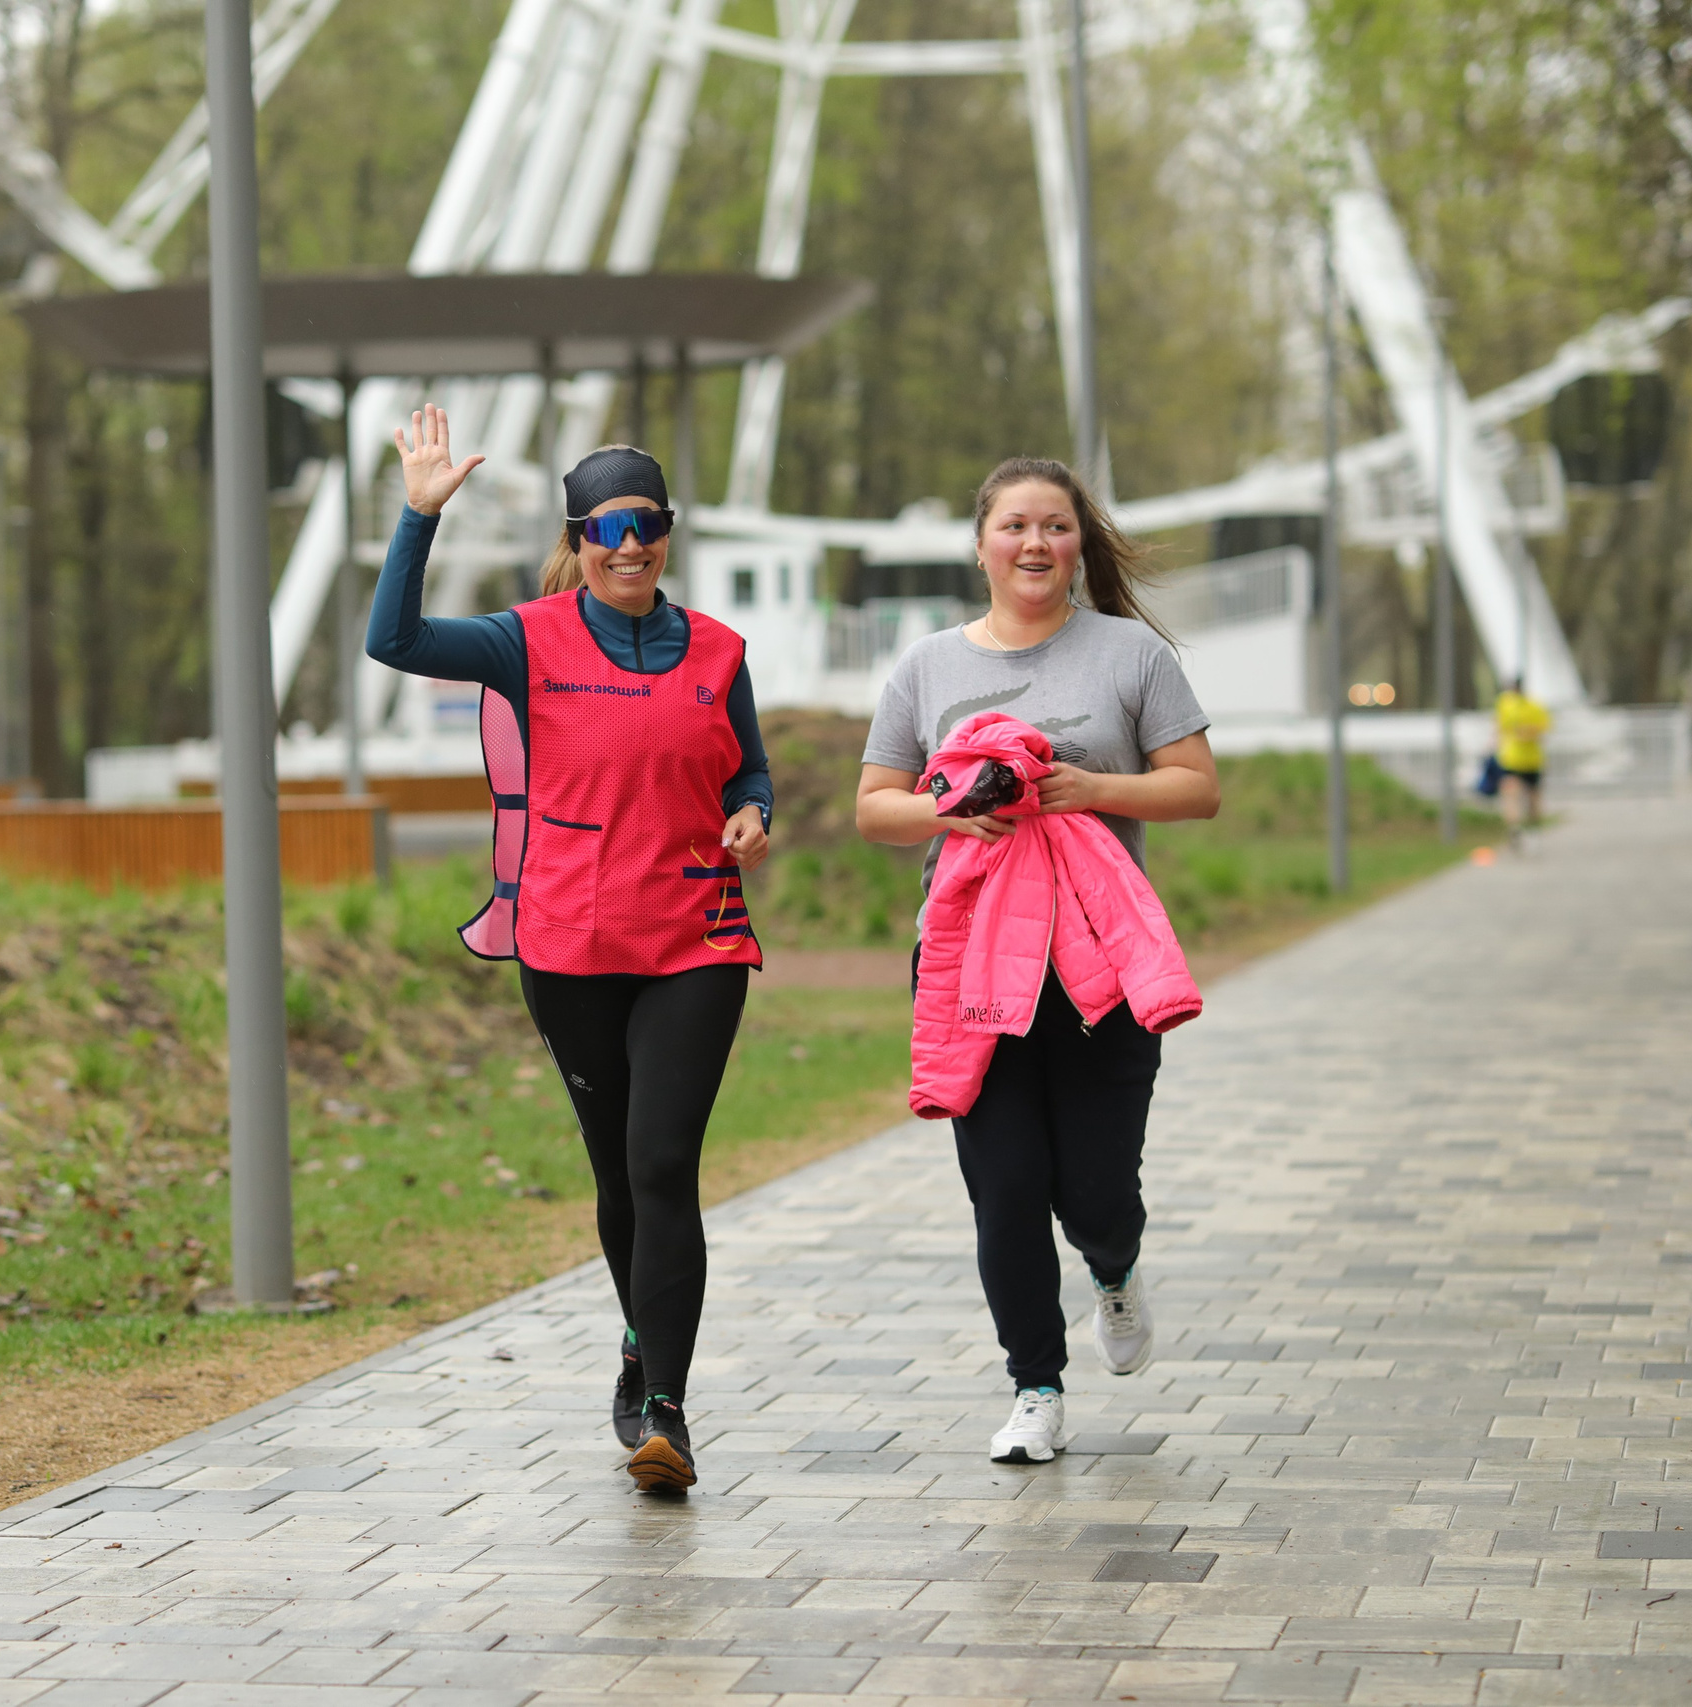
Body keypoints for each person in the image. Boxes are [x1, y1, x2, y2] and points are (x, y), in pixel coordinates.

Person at [369, 405, 773, 1494]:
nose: (628, 543)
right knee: (613, 1171)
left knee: (661, 1163)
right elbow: (393, 643)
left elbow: (748, 767)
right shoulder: (524, 639)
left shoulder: (721, 649)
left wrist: (752, 809)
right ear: (577, 539)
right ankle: (639, 1344)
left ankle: (667, 1417)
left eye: (646, 522)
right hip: (571, 941)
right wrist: (417, 520)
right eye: (606, 526)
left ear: (668, 532)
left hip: (697, 935)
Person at [854, 457, 1219, 1465]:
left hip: (1098, 965)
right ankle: (1034, 1387)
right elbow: (873, 807)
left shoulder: (1129, 655)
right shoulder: (927, 666)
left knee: (1096, 1190)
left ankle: (1114, 1265)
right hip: (970, 965)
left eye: (1053, 527)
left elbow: (1194, 788)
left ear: (1077, 545)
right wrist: (946, 812)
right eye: (1013, 526)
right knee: (1004, 1187)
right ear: (979, 545)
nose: (1032, 544)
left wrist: (1087, 791)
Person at [1495, 676, 1550, 845]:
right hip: (1529, 759)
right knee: (1530, 797)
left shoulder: (1505, 704)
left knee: (1513, 796)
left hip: (1513, 758)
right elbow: (1545, 727)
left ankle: (1516, 827)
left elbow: (1498, 729)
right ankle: (1530, 829)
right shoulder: (1535, 705)